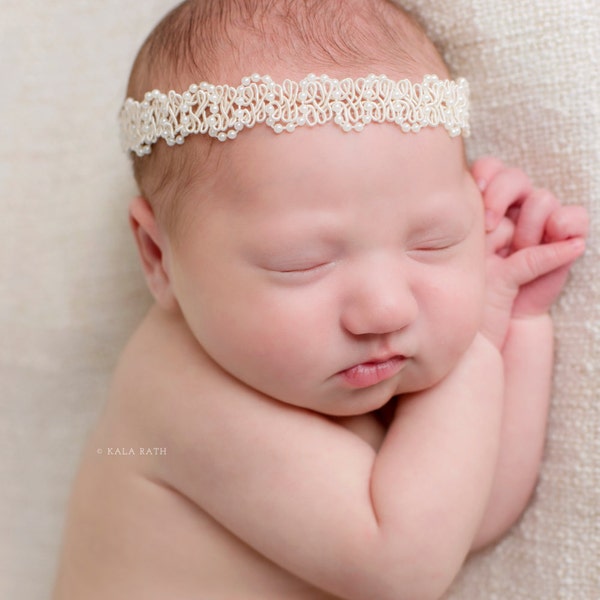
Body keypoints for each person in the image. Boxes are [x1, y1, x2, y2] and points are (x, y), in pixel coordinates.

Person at [52, 0, 588, 599]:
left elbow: (468, 517)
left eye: (436, 242)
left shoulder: (308, 368)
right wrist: (480, 347)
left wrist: (523, 324)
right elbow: (403, 568)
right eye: (303, 261)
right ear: (158, 258)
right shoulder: (178, 396)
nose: (386, 309)